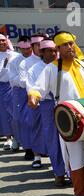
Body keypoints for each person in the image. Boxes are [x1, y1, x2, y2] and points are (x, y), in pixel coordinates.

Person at [28, 31, 84, 196]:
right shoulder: (51, 68)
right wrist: (33, 96)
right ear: (57, 48)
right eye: (65, 44)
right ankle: (80, 190)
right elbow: (38, 88)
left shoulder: (81, 65)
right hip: (68, 120)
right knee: (76, 155)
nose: (70, 47)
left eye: (71, 43)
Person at [27, 39, 66, 186]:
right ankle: (59, 172)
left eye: (55, 50)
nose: (53, 53)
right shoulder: (34, 69)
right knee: (53, 139)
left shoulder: (64, 66)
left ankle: (73, 172)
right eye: (49, 51)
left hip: (65, 104)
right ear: (42, 52)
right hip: (47, 105)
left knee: (70, 138)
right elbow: (32, 89)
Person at [20, 33, 48, 161]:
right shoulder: (26, 63)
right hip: (35, 100)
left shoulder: (53, 61)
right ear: (32, 46)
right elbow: (25, 82)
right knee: (35, 126)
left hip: (51, 100)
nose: (39, 47)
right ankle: (37, 156)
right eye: (37, 45)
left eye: (41, 44)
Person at [8, 36, 32, 152]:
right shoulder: (14, 61)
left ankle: (34, 147)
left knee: (33, 119)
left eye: (27, 48)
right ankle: (19, 140)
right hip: (19, 91)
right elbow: (12, 80)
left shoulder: (37, 59)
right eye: (22, 49)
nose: (25, 51)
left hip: (34, 91)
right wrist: (25, 80)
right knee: (18, 119)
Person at [0, 33, 19, 151]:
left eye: (3, 40)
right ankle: (8, 138)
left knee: (15, 112)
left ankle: (19, 138)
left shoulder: (16, 55)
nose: (2, 43)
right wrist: (5, 65)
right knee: (4, 113)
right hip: (2, 87)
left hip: (15, 88)